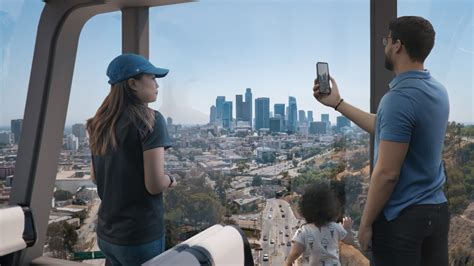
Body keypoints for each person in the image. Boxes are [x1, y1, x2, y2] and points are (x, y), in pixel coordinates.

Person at [313, 16, 450, 266]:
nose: (384, 45)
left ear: (398, 45)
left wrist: (365, 224)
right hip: (437, 213)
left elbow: (387, 173)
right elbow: (386, 126)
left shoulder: (398, 98)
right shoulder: (438, 91)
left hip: (403, 220)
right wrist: (338, 104)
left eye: (385, 40)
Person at [87, 53, 177, 265]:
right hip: (139, 235)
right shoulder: (151, 119)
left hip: (107, 234)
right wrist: (171, 179)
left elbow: (94, 176)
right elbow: (154, 185)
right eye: (152, 78)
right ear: (133, 83)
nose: (157, 85)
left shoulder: (98, 123)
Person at [285, 181, 354, 266]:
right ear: (331, 207)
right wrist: (347, 229)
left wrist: (288, 262)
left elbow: (295, 252)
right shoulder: (336, 227)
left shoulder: (303, 231)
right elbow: (349, 241)